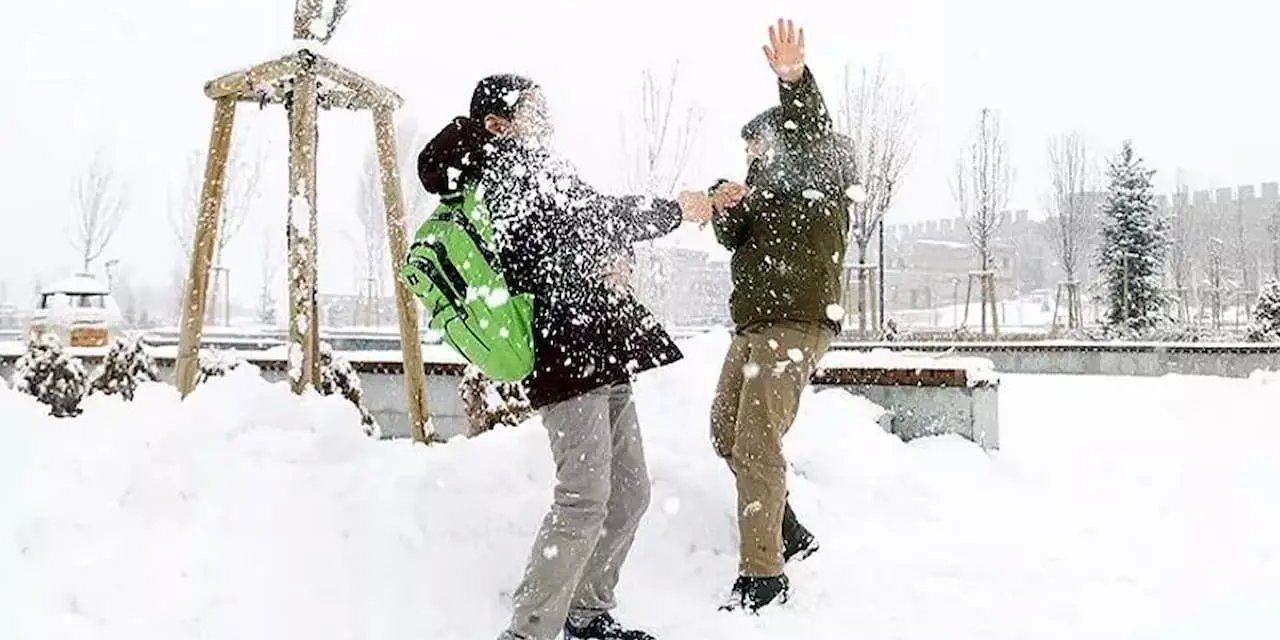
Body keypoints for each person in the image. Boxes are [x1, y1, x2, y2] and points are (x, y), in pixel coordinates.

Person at [417, 75, 714, 640]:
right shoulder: (501, 168)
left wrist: (616, 255)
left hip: (601, 344)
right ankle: (528, 631)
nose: (547, 115)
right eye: (533, 108)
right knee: (584, 498)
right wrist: (672, 211)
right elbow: (580, 224)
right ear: (498, 122)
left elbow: (588, 225)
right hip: (564, 353)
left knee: (630, 492)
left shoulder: (542, 165)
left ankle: (587, 614)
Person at [706, 19, 854, 612]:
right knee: (725, 432)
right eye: (747, 151)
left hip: (796, 323)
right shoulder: (759, 194)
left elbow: (812, 128)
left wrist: (792, 78)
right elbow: (730, 236)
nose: (752, 156)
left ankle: (763, 577)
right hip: (755, 326)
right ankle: (788, 529)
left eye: (758, 146)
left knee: (757, 442)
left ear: (782, 139)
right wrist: (723, 201)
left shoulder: (818, 173)